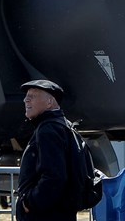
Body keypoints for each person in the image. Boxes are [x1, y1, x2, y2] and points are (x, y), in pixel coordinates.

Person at [15, 79, 80, 221]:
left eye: (33, 96)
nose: (26, 100)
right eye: (26, 96)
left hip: (46, 214)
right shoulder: (62, 125)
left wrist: (30, 202)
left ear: (50, 102)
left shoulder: (48, 129)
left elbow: (54, 176)